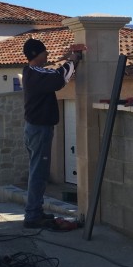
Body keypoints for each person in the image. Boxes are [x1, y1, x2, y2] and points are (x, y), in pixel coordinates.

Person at [21, 38, 80, 228]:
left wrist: (65, 60)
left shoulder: (30, 72)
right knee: (39, 173)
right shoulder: (35, 74)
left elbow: (49, 72)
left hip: (34, 129)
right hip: (40, 129)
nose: (47, 54)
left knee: (37, 171)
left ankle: (35, 211)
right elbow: (58, 79)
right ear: (36, 55)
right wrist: (73, 61)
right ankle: (32, 215)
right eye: (44, 52)